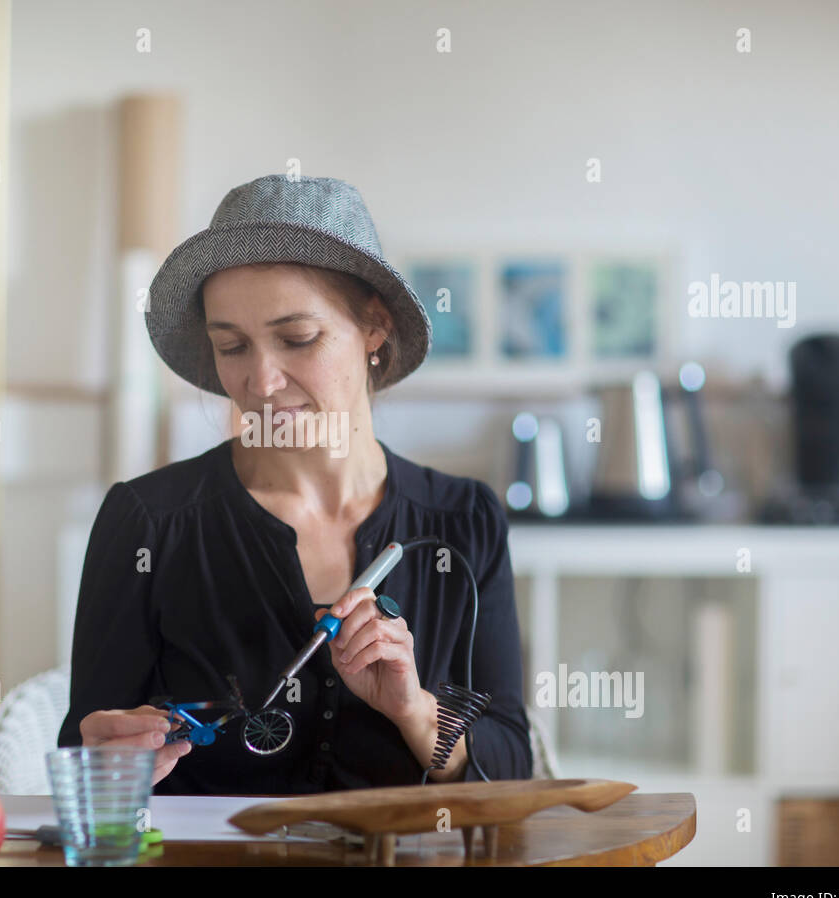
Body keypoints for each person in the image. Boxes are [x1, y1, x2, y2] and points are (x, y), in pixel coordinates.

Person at [57, 174, 532, 793]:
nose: (262, 381)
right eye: (232, 346)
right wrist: (112, 762)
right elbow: (83, 754)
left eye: (297, 339)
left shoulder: (464, 520)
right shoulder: (147, 522)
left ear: (375, 329)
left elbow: (510, 767)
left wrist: (416, 710)